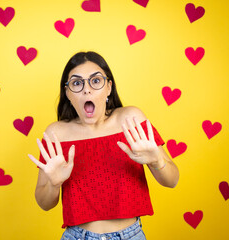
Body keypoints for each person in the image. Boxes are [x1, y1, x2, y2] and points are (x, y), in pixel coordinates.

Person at [28, 51, 179, 240]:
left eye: (96, 81)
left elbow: (172, 181)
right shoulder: (55, 134)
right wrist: (54, 184)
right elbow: (44, 203)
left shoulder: (131, 119)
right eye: (77, 83)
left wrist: (157, 161)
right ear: (67, 93)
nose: (87, 90)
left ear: (108, 87)